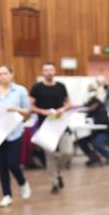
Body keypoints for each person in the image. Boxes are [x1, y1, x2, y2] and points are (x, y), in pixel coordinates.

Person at [0, 66, 31, 207]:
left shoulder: (20, 90)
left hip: (14, 132)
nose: (2, 76)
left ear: (11, 75)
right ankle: (6, 195)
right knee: (2, 165)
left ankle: (22, 182)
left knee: (12, 163)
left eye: (5, 73)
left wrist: (16, 109)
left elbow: (27, 112)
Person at [30, 62, 72, 194]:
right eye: (46, 70)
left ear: (55, 71)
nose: (49, 72)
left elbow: (69, 103)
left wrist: (63, 109)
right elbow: (30, 105)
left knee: (67, 152)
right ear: (43, 72)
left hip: (61, 125)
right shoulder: (37, 88)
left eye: (51, 70)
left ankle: (58, 173)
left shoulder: (61, 86)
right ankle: (54, 182)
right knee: (50, 156)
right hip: (45, 126)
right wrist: (42, 111)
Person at [76, 97, 109, 166]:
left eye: (91, 106)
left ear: (96, 104)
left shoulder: (102, 110)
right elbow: (87, 120)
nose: (90, 107)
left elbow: (100, 121)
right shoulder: (92, 111)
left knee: (97, 143)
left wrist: (91, 120)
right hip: (96, 132)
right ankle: (94, 158)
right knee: (81, 142)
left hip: (105, 132)